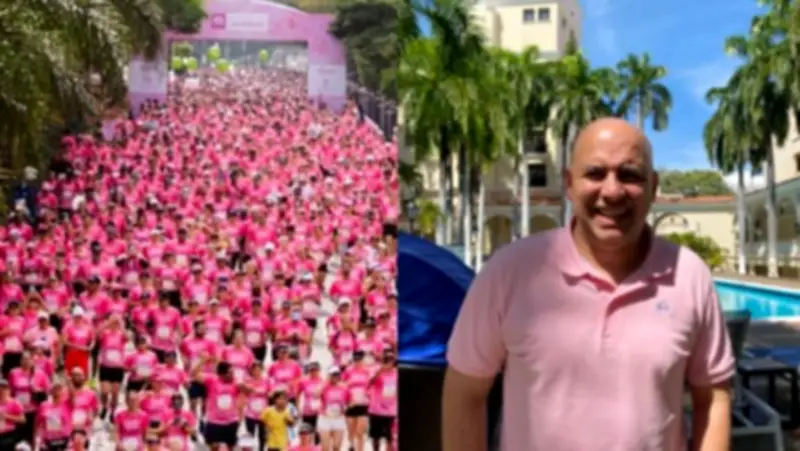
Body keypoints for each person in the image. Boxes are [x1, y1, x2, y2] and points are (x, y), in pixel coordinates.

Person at [442, 117, 735, 451]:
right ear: (569, 184)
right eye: (595, 173)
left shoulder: (689, 275)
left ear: (653, 187)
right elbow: (465, 392)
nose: (612, 192)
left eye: (629, 175)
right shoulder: (509, 272)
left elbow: (712, 396)